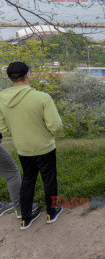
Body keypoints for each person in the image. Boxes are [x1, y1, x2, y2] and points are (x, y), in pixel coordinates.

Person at [0, 62, 63, 229]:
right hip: (44, 147)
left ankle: (25, 218)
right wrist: (47, 135)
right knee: (49, 180)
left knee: (28, 180)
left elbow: (3, 128)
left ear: (10, 78)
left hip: (23, 148)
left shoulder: (1, 99)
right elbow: (56, 127)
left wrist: (18, 135)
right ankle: (52, 212)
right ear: (27, 75)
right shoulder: (42, 97)